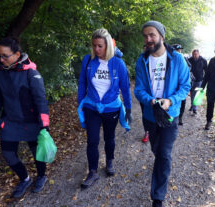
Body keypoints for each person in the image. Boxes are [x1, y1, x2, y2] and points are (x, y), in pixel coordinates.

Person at [134, 21, 190, 207]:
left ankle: (158, 197)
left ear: (161, 36)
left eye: (152, 35)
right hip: (150, 115)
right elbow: (139, 89)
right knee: (157, 151)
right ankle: (160, 169)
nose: (148, 39)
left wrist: (171, 100)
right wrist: (150, 100)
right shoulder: (142, 61)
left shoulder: (177, 59)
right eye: (145, 36)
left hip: (170, 115)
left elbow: (185, 87)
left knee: (164, 154)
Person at [0, 37, 50, 198]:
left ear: (17, 54)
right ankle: (25, 179)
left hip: (31, 122)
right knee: (8, 154)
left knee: (37, 153)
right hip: (10, 122)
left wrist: (44, 126)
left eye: (5, 56)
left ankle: (41, 176)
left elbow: (41, 100)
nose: (1, 59)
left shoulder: (31, 73)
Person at [78, 28, 132, 189]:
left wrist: (128, 109)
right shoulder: (88, 60)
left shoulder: (118, 63)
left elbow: (125, 87)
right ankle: (92, 172)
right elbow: (82, 83)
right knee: (92, 140)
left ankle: (109, 162)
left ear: (107, 45)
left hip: (111, 108)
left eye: (100, 46)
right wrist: (80, 104)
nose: (96, 49)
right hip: (91, 107)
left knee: (109, 138)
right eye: (94, 45)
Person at [172, 44, 191, 125]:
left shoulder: (184, 58)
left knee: (183, 101)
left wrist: (184, 70)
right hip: (173, 84)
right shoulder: (170, 58)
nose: (179, 51)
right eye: (177, 49)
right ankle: (173, 116)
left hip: (183, 83)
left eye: (180, 49)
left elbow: (190, 66)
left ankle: (180, 117)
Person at [188, 49, 207, 114]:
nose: (194, 55)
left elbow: (206, 71)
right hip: (191, 80)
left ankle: (194, 108)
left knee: (197, 94)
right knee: (192, 93)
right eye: (193, 54)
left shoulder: (203, 60)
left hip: (199, 80)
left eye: (196, 54)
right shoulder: (189, 60)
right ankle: (192, 105)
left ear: (198, 54)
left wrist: (204, 79)